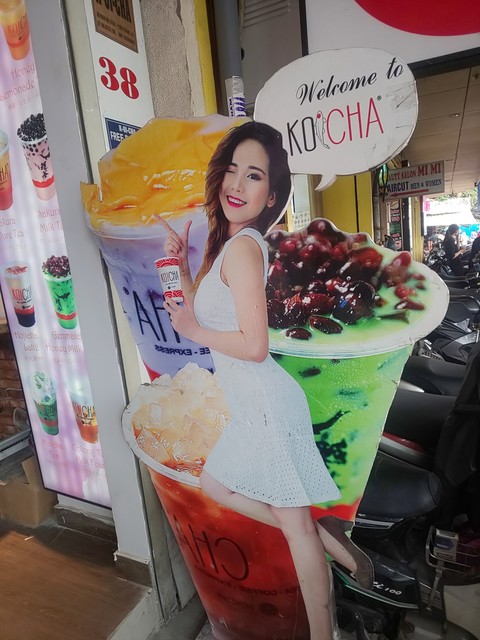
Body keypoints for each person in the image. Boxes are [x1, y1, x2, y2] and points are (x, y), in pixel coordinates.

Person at [160, 121, 373, 639]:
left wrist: (192, 329)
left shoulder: (244, 248)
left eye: (253, 176)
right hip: (253, 403)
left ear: (271, 195)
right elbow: (209, 314)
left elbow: (254, 346)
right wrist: (181, 268)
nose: (236, 184)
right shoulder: (231, 246)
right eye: (232, 170)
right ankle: (327, 536)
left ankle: (324, 631)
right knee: (216, 485)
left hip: (266, 403)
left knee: (294, 530)